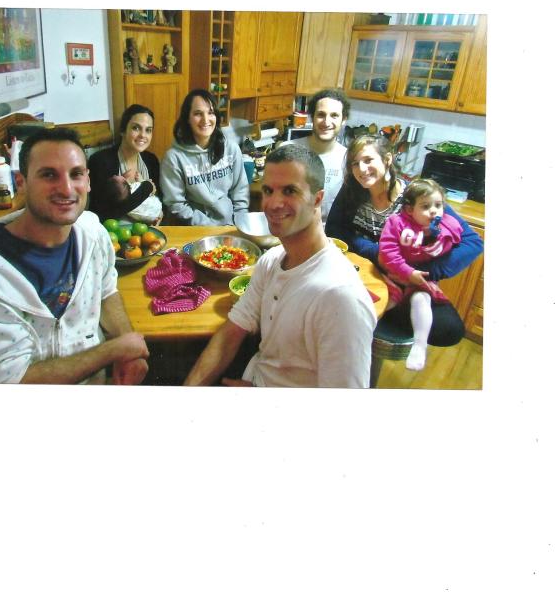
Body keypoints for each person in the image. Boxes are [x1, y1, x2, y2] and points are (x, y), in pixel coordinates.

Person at [0, 127, 150, 385]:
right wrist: (115, 350)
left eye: (76, 174)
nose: (67, 188)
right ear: (21, 182)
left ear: (88, 181)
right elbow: (8, 380)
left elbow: (106, 292)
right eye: (49, 175)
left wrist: (131, 352)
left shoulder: (93, 233)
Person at [184, 143, 377, 388]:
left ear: (317, 199)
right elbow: (232, 332)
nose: (273, 204)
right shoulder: (271, 261)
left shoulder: (340, 297)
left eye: (289, 191)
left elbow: (341, 412)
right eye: (268, 190)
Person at [325, 133, 484, 346]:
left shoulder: (417, 197)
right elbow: (335, 230)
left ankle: (372, 320)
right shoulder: (353, 191)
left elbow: (473, 243)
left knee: (450, 329)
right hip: (364, 269)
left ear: (388, 159)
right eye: (355, 163)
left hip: (409, 276)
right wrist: (375, 252)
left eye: (368, 160)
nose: (361, 169)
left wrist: (426, 271)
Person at [378, 177, 464, 371]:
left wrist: (433, 235)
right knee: (383, 300)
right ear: (410, 210)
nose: (434, 211)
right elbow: (388, 252)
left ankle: (419, 345)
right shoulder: (396, 223)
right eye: (425, 206)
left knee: (421, 300)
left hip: (419, 281)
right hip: (393, 275)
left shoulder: (446, 226)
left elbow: (453, 244)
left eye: (438, 205)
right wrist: (407, 272)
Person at [160, 89, 249, 225]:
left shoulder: (231, 148)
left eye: (210, 112)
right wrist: (210, 227)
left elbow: (240, 190)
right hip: (195, 229)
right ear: (187, 118)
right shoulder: (173, 158)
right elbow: (176, 204)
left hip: (230, 225)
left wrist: (240, 222)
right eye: (197, 114)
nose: (205, 120)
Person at [88, 104, 162, 224]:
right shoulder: (100, 161)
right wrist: (146, 188)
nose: (143, 135)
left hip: (148, 233)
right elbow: (103, 212)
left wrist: (159, 215)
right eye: (136, 128)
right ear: (123, 130)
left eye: (148, 130)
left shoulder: (151, 160)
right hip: (113, 234)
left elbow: (158, 199)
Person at [288, 88, 349, 224]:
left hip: (329, 233)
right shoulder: (288, 150)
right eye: (321, 114)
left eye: (334, 115)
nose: (326, 122)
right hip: (290, 227)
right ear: (312, 117)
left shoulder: (349, 159)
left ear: (343, 119)